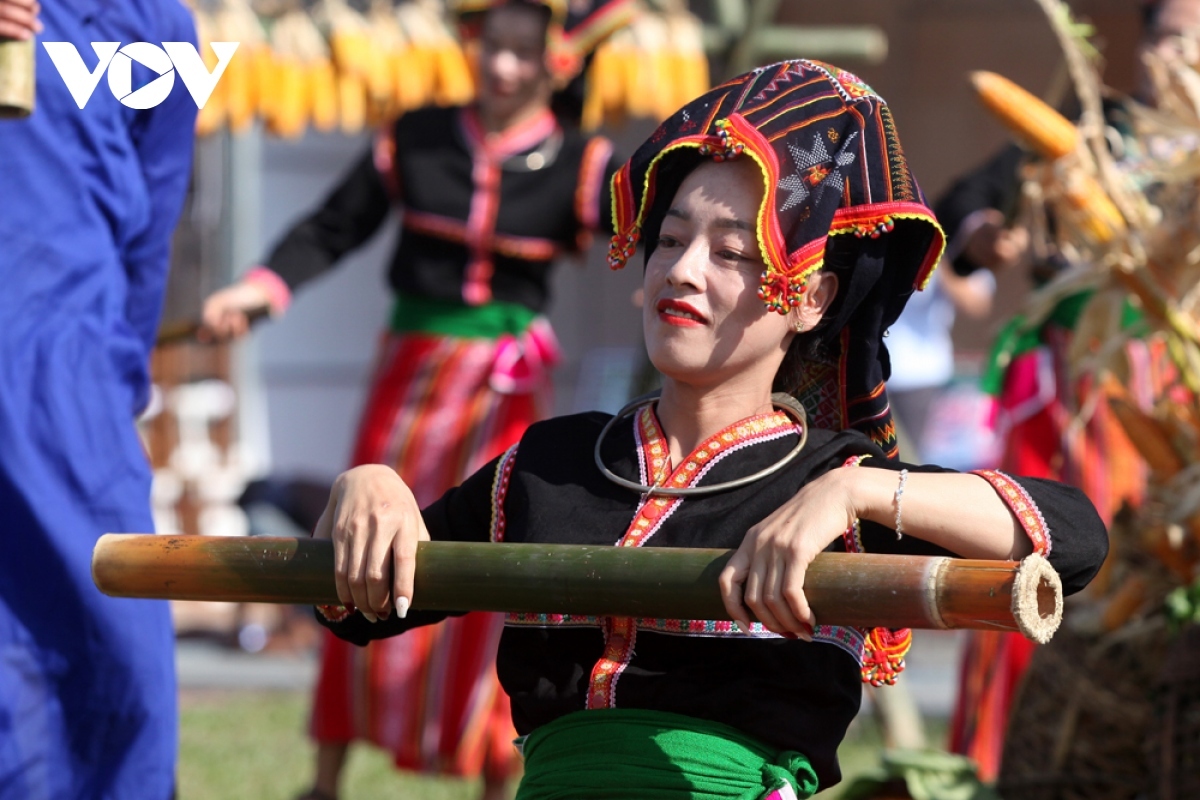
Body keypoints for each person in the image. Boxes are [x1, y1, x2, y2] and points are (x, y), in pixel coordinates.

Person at [308, 61, 1110, 798]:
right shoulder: (548, 464)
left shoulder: (830, 484)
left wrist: (856, 493)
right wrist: (370, 487)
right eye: (670, 239)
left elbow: (1073, 541)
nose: (684, 270)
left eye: (733, 252)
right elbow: (357, 608)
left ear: (810, 299)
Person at [200, 2, 632, 797]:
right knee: (356, 548)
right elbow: (334, 226)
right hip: (408, 380)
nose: (502, 68)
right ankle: (326, 777)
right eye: (491, 48)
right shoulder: (417, 136)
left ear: (555, 65)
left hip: (504, 392)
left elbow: (650, 229)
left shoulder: (583, 161)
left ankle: (493, 777)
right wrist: (260, 288)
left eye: (521, 54)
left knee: (494, 559)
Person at [938, 0, 1200, 776]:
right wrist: (991, 232)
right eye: (1167, 35)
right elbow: (967, 208)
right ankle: (1001, 755)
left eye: (1197, 41)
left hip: (1178, 395)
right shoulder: (1089, 131)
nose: (1179, 54)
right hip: (1072, 387)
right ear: (1141, 45)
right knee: (1042, 557)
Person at [0, 0, 198, 797]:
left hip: (63, 361)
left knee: (108, 630)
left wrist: (114, 373)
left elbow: (153, 217)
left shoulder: (159, 28)